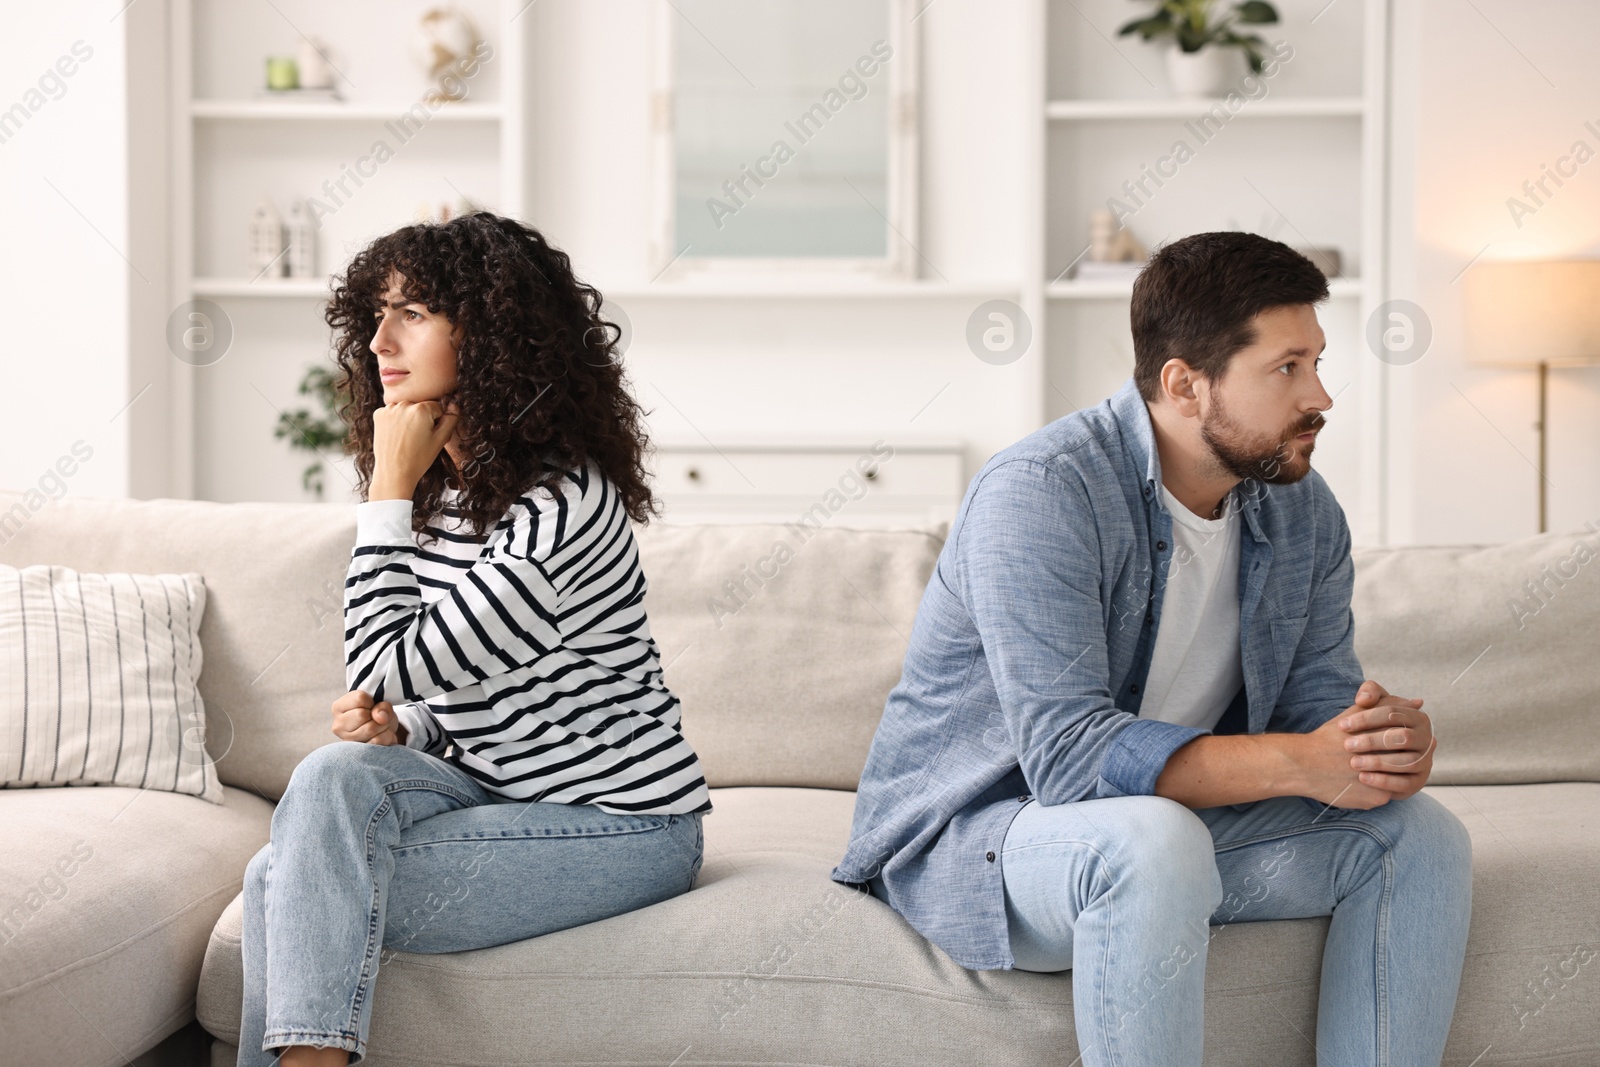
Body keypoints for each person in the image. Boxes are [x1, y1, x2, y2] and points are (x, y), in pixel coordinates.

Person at [830, 231, 1473, 1066]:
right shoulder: (1041, 493)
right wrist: (1298, 763)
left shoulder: (1303, 510)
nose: (1320, 393)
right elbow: (1066, 761)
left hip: (1169, 831)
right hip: (989, 835)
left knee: (1420, 835)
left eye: (1317, 360)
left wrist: (1374, 749)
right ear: (1183, 383)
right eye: (1287, 367)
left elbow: (1319, 712)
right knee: (1152, 842)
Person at [237, 212, 710, 1067]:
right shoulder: (450, 496)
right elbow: (458, 692)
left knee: (282, 882)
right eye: (376, 314)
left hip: (624, 829)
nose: (380, 338)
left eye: (414, 311)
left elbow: (379, 663)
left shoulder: (560, 510)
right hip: (497, 791)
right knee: (331, 778)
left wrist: (385, 482)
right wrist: (406, 729)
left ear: (492, 334)